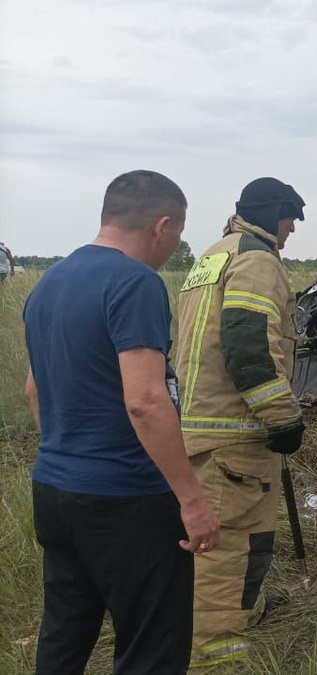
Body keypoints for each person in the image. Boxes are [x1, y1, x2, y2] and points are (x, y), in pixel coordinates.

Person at [22, 170, 221, 675]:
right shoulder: (135, 283)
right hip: (127, 499)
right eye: (178, 233)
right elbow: (147, 401)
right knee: (151, 646)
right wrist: (192, 501)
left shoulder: (50, 282)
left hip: (55, 489)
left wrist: (72, 456)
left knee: (65, 633)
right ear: (163, 225)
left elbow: (32, 389)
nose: (176, 244)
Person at [175, 177, 307, 667]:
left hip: (200, 426)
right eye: (291, 216)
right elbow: (248, 345)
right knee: (228, 544)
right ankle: (214, 650)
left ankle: (243, 611)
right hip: (235, 432)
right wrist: (283, 416)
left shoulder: (214, 255)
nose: (292, 227)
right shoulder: (257, 260)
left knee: (240, 534)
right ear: (274, 212)